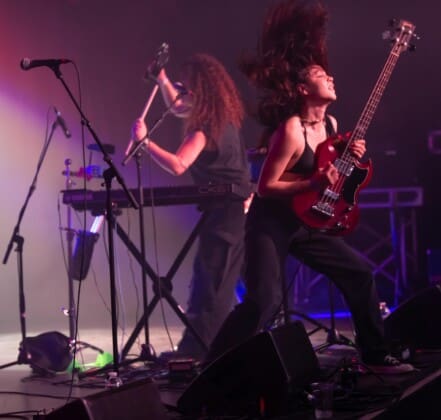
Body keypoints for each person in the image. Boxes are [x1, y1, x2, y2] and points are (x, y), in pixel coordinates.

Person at [206, 0, 414, 374]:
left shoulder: (331, 126)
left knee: (359, 274)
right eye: (321, 75)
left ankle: (374, 354)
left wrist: (352, 159)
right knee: (264, 301)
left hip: (308, 221)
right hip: (271, 222)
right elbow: (266, 186)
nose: (330, 78)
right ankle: (214, 366)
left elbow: (335, 175)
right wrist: (315, 180)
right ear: (304, 89)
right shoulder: (291, 129)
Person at [131, 53, 253, 361]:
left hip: (225, 211)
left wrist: (145, 142)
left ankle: (197, 352)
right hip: (234, 208)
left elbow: (178, 164)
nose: (180, 93)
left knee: (210, 283)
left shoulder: (204, 129)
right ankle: (211, 349)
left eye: (185, 87)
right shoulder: (224, 121)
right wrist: (162, 79)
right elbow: (177, 106)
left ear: (200, 91)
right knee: (216, 280)